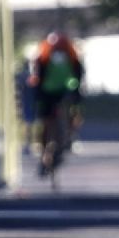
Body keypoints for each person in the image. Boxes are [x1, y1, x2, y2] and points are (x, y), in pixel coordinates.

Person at [27, 31, 84, 175]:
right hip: (62, 91)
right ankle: (65, 140)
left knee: (48, 122)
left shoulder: (46, 54)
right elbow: (78, 75)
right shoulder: (69, 53)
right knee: (59, 119)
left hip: (52, 93)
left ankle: (50, 150)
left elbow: (38, 76)